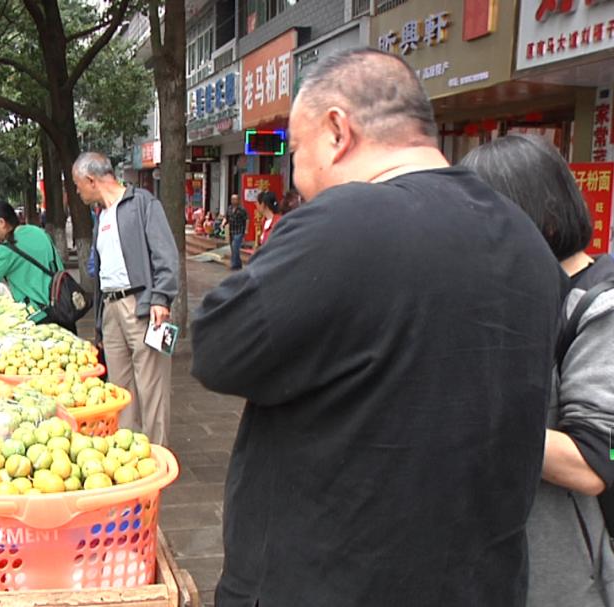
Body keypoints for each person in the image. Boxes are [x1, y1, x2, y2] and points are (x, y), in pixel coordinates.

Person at [190, 48, 564, 607]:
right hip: (478, 581)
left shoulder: (346, 219)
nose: (297, 175)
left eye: (297, 151)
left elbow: (218, 347)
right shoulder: (527, 240)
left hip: (335, 579)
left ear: (338, 131)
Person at [461, 134, 614, 607]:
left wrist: (451, 403)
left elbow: (594, 462)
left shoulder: (599, 309)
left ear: (540, 219)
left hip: (562, 576)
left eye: (482, 217)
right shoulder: (502, 298)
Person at [73, 152, 179, 445]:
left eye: (78, 183)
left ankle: (156, 453)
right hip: (111, 308)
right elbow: (103, 274)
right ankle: (127, 451)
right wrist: (99, 326)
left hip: (141, 306)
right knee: (119, 389)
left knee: (151, 386)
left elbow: (166, 254)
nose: (77, 190)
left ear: (91, 179)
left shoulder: (142, 204)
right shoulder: (101, 216)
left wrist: (161, 297)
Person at [0, 200, 74, 332]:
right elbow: (58, 265)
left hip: (39, 316)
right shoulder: (37, 232)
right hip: (63, 306)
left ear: (1, 223)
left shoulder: (5, 250)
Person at [223, 194, 248, 270]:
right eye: (232, 199)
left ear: (238, 200)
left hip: (239, 231)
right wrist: (223, 223)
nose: (234, 201)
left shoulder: (242, 210)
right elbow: (226, 218)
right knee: (233, 248)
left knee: (235, 246)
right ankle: (238, 264)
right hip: (231, 231)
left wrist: (246, 229)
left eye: (235, 199)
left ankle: (233, 264)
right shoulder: (229, 209)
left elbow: (247, 219)